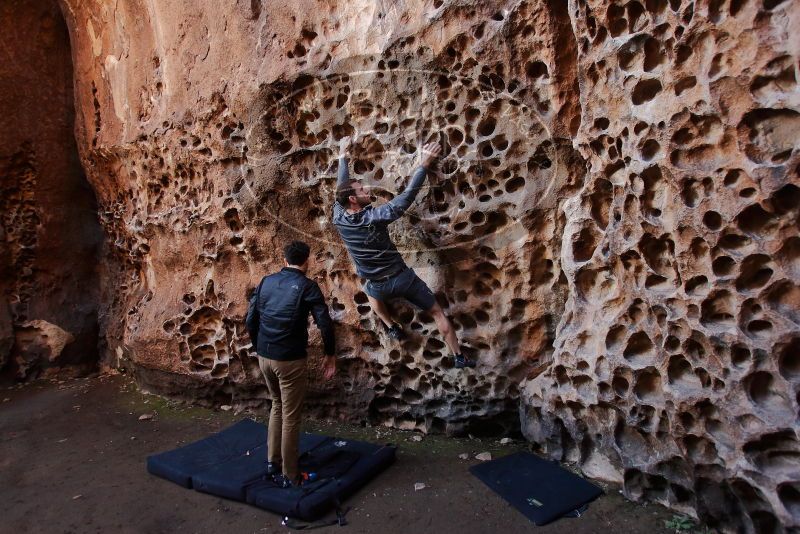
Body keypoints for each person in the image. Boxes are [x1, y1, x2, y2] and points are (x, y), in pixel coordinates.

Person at [332, 135, 476, 369]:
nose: (367, 188)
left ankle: (391, 327)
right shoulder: (374, 218)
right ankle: (459, 356)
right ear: (353, 199)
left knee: (370, 293)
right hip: (403, 279)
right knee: (438, 312)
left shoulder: (338, 216)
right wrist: (423, 165)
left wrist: (342, 155)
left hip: (377, 285)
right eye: (361, 189)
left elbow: (342, 182)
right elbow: (405, 199)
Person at [246, 240, 337, 487]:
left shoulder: (266, 281)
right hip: (290, 360)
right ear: (306, 261)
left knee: (277, 405)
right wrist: (330, 354)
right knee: (291, 416)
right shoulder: (308, 287)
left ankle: (272, 461)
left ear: (284, 260)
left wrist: (260, 348)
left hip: (265, 356)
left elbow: (250, 319)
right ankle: (291, 475)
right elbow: (325, 324)